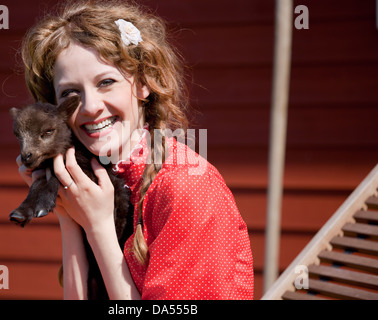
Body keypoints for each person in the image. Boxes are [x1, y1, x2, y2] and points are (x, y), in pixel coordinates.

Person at [16, 0, 254, 300]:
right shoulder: (96, 179)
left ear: (143, 83)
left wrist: (100, 227)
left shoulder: (187, 187)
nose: (89, 107)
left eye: (106, 82)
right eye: (70, 93)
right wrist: (65, 212)